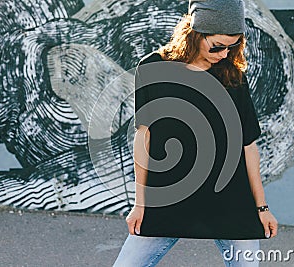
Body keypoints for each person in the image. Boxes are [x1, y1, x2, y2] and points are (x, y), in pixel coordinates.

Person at [113, 0, 278, 266]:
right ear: (195, 34)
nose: (225, 54)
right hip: (168, 199)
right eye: (218, 46)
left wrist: (262, 207)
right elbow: (144, 138)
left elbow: (248, 146)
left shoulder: (232, 76)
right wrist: (140, 203)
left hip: (229, 202)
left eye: (233, 46)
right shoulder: (153, 68)